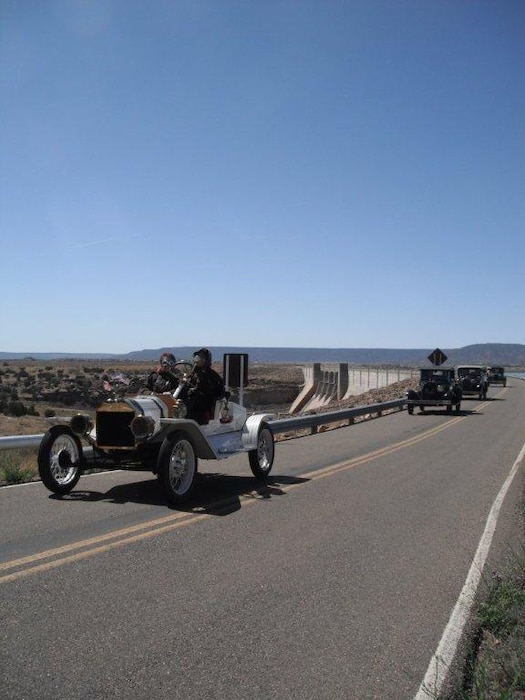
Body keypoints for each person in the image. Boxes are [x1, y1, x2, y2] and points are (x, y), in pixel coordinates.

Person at [177, 348, 225, 423]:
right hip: (189, 406)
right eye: (197, 357)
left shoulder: (212, 376)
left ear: (206, 360)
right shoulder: (193, 374)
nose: (198, 359)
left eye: (201, 357)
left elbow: (217, 393)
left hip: (203, 409)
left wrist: (194, 391)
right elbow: (186, 387)